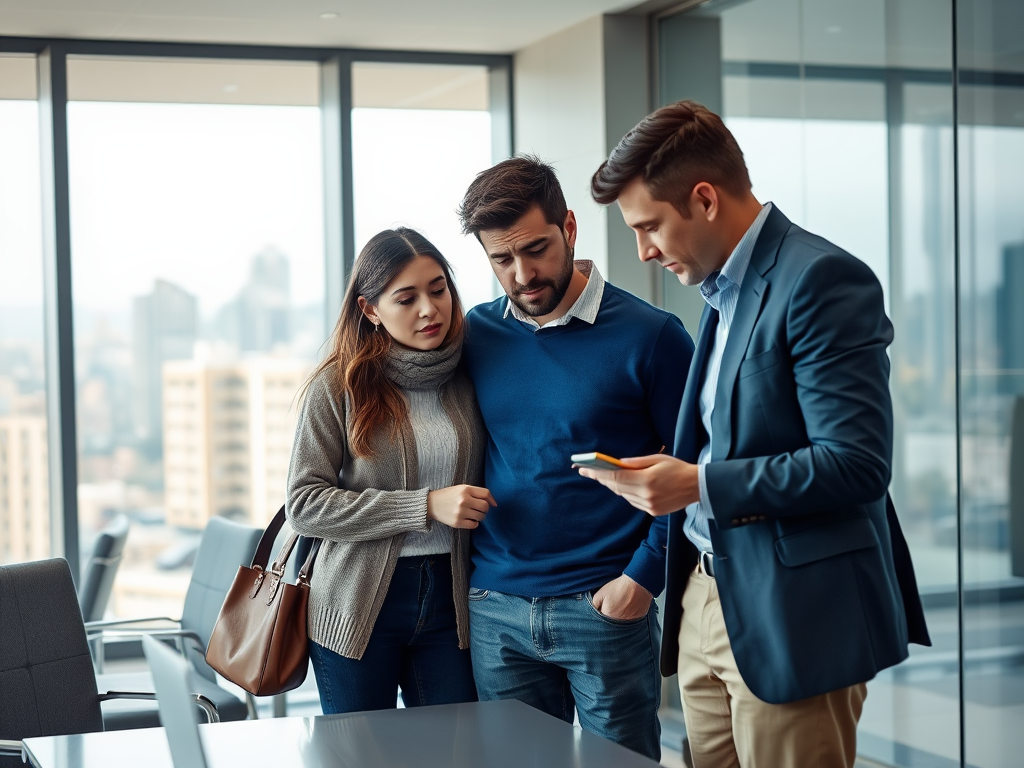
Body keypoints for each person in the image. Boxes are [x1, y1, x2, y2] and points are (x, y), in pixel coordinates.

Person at [582, 100, 931, 768]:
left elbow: (855, 463)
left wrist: (697, 483)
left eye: (649, 226)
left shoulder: (822, 280)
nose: (643, 251)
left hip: (793, 614)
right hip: (706, 598)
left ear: (704, 199)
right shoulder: (721, 292)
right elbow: (736, 435)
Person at [456, 155, 695, 760]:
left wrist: (641, 581)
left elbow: (693, 474)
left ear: (569, 227)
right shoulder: (477, 335)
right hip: (496, 609)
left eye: (535, 248)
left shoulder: (654, 337)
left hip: (604, 607)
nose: (521, 273)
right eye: (501, 260)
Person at [286, 227, 494, 714]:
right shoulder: (338, 385)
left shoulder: (469, 374)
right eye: (407, 298)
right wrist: (425, 506)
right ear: (370, 309)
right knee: (361, 755)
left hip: (453, 600)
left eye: (438, 289)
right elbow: (304, 505)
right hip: (357, 607)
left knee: (454, 752)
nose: (429, 309)